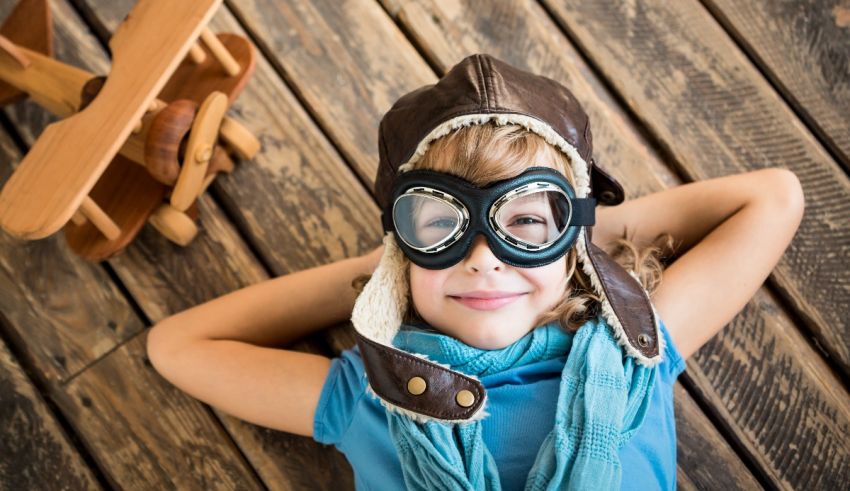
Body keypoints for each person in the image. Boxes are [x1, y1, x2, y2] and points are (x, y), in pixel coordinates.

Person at [145, 54, 804, 490]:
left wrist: (569, 229)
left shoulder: (635, 350)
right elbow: (173, 346)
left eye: (525, 221)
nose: (484, 255)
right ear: (403, 253)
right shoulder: (367, 395)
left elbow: (774, 198)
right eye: (438, 225)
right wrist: (393, 262)